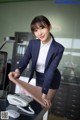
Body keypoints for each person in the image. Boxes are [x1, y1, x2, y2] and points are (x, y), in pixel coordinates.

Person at [8, 15, 64, 108]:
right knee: (38, 104)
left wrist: (44, 93)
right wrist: (18, 71)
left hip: (52, 78)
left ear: (49, 27)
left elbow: (51, 70)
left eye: (42, 28)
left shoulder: (58, 48)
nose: (39, 33)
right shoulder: (33, 44)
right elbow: (24, 60)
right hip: (40, 77)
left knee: (45, 105)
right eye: (35, 30)